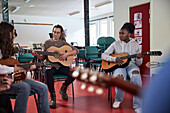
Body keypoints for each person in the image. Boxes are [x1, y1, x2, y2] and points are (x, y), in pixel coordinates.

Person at [0, 21, 50, 113]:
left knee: (43, 87)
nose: (15, 36)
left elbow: (14, 67)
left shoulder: (10, 49)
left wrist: (24, 69)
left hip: (12, 79)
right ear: (7, 34)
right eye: (13, 33)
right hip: (2, 83)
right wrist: (13, 69)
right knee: (24, 87)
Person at [102, 22, 143, 113]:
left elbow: (139, 64)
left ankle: (138, 105)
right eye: (120, 33)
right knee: (120, 77)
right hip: (118, 66)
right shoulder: (115, 44)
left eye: (122, 33)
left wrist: (139, 59)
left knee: (136, 75)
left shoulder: (136, 45)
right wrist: (114, 59)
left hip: (131, 65)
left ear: (129, 34)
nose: (120, 35)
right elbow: (103, 55)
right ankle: (118, 99)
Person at [34, 24, 79, 108]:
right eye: (54, 32)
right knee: (48, 72)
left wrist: (67, 54)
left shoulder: (64, 43)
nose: (55, 34)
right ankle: (53, 96)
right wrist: (36, 55)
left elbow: (76, 50)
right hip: (50, 65)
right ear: (52, 32)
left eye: (58, 33)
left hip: (62, 65)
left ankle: (63, 88)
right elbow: (42, 57)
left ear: (61, 33)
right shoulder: (47, 43)